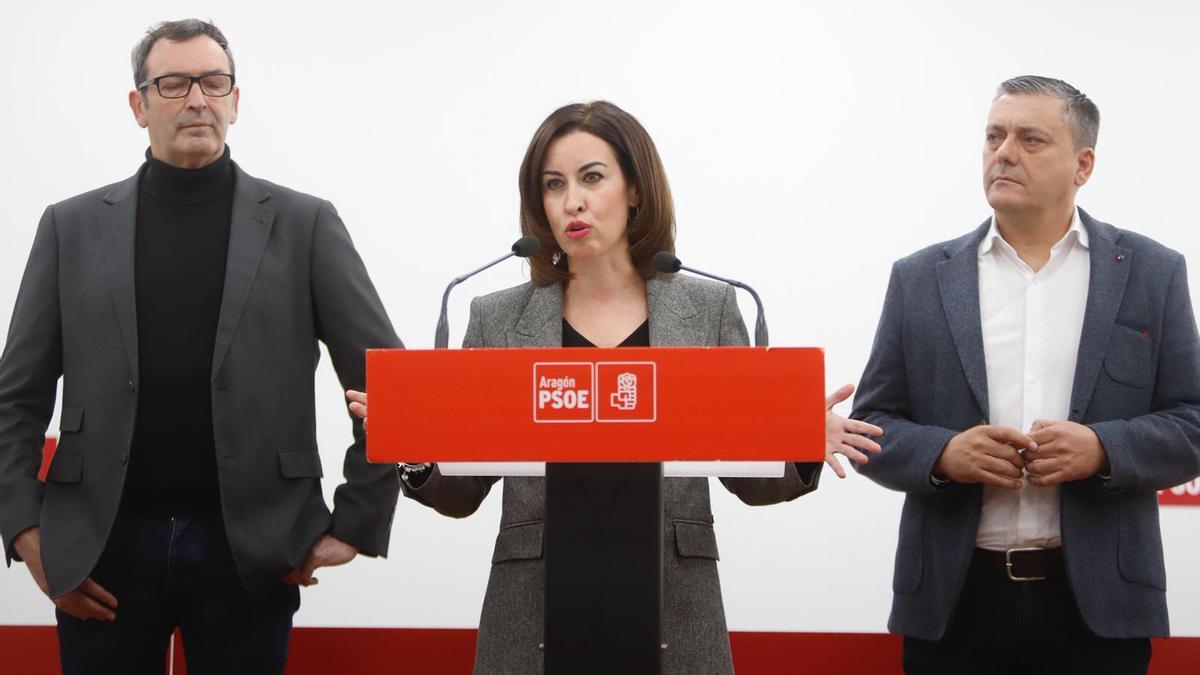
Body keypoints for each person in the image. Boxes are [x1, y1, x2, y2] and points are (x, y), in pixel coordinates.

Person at [346, 100, 882, 674]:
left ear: (634, 190)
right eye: (554, 185)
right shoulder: (497, 320)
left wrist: (796, 435)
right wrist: (417, 448)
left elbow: (749, 478)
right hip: (537, 614)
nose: (572, 201)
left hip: (672, 611)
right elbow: (463, 490)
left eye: (592, 178)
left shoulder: (710, 310)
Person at [0, 19, 401, 675]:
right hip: (102, 546)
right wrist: (24, 528)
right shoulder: (69, 227)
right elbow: (15, 399)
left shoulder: (306, 224)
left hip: (253, 548)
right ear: (139, 104)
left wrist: (359, 516)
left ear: (235, 100)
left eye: (213, 82)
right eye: (174, 83)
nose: (196, 99)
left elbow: (387, 380)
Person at [852, 75, 1200, 675]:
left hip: (1098, 605)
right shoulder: (920, 278)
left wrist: (1103, 449)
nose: (1003, 152)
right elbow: (871, 425)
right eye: (994, 136)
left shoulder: (1151, 272)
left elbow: (1192, 422)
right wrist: (942, 456)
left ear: (1082, 164)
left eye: (1030, 139)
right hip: (954, 603)